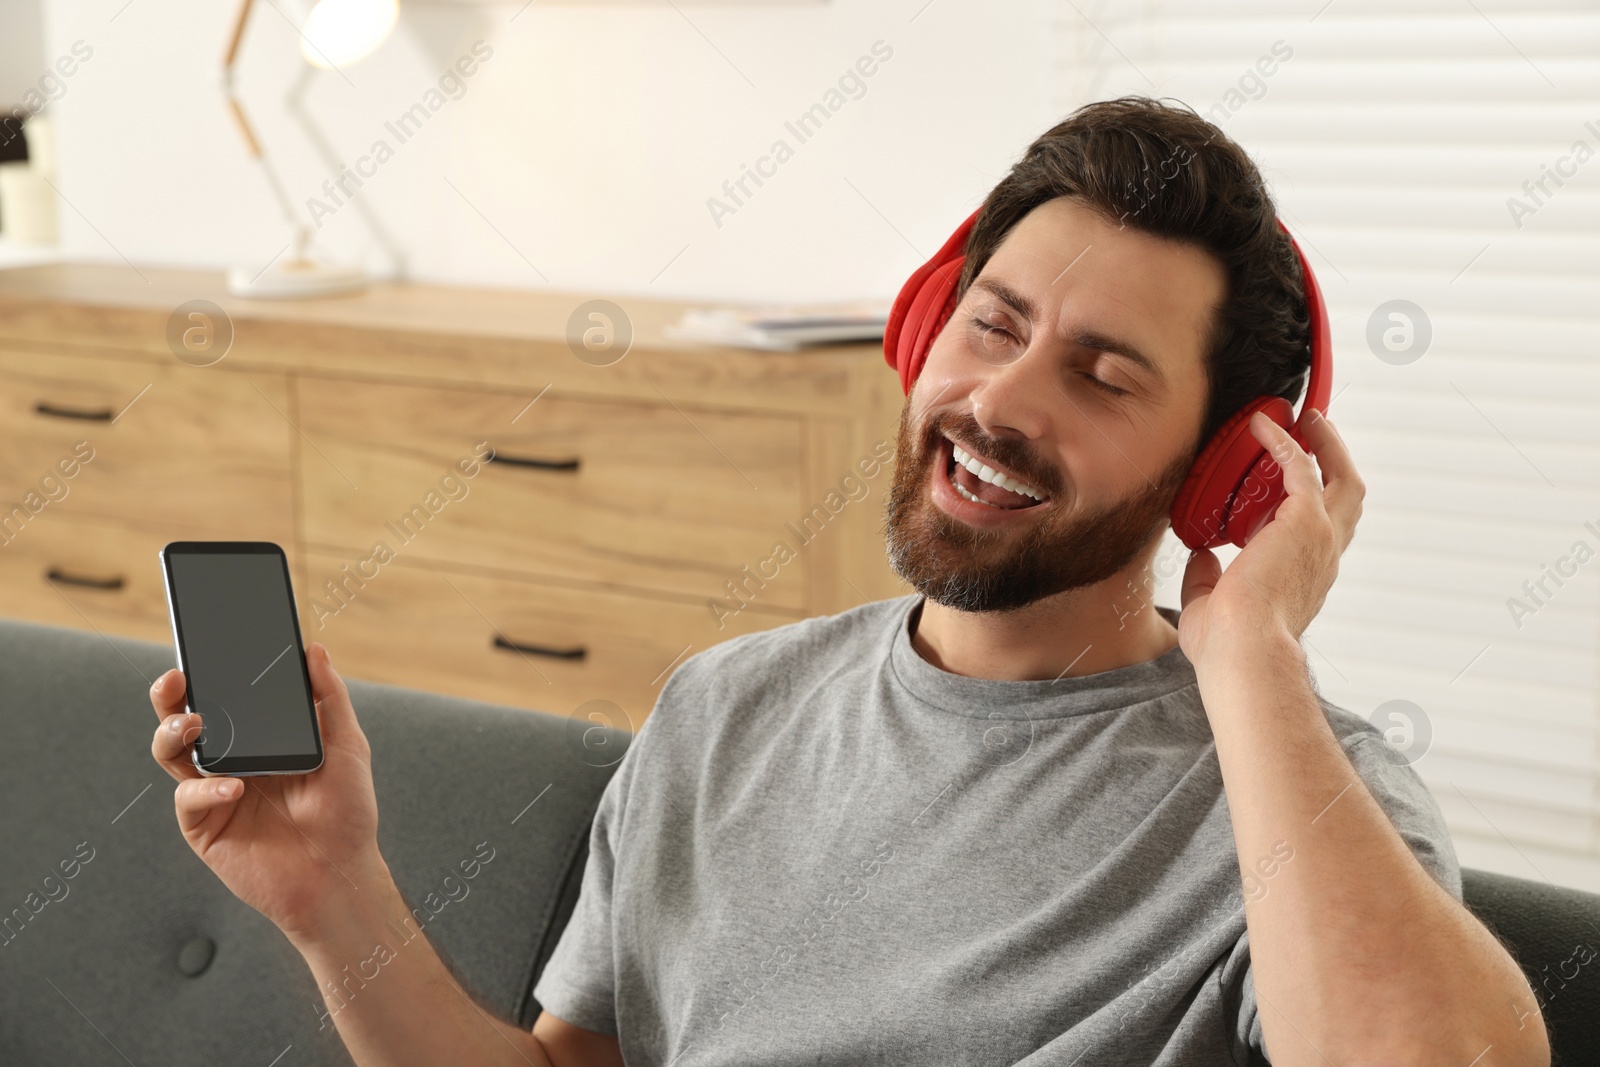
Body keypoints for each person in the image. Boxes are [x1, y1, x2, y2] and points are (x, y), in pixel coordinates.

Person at [149, 96, 1549, 1066]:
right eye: (990, 324)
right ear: (925, 325)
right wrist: (334, 894)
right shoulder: (726, 708)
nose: (996, 400)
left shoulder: (1296, 792)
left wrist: (1250, 648)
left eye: (1101, 376)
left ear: (1218, 472)